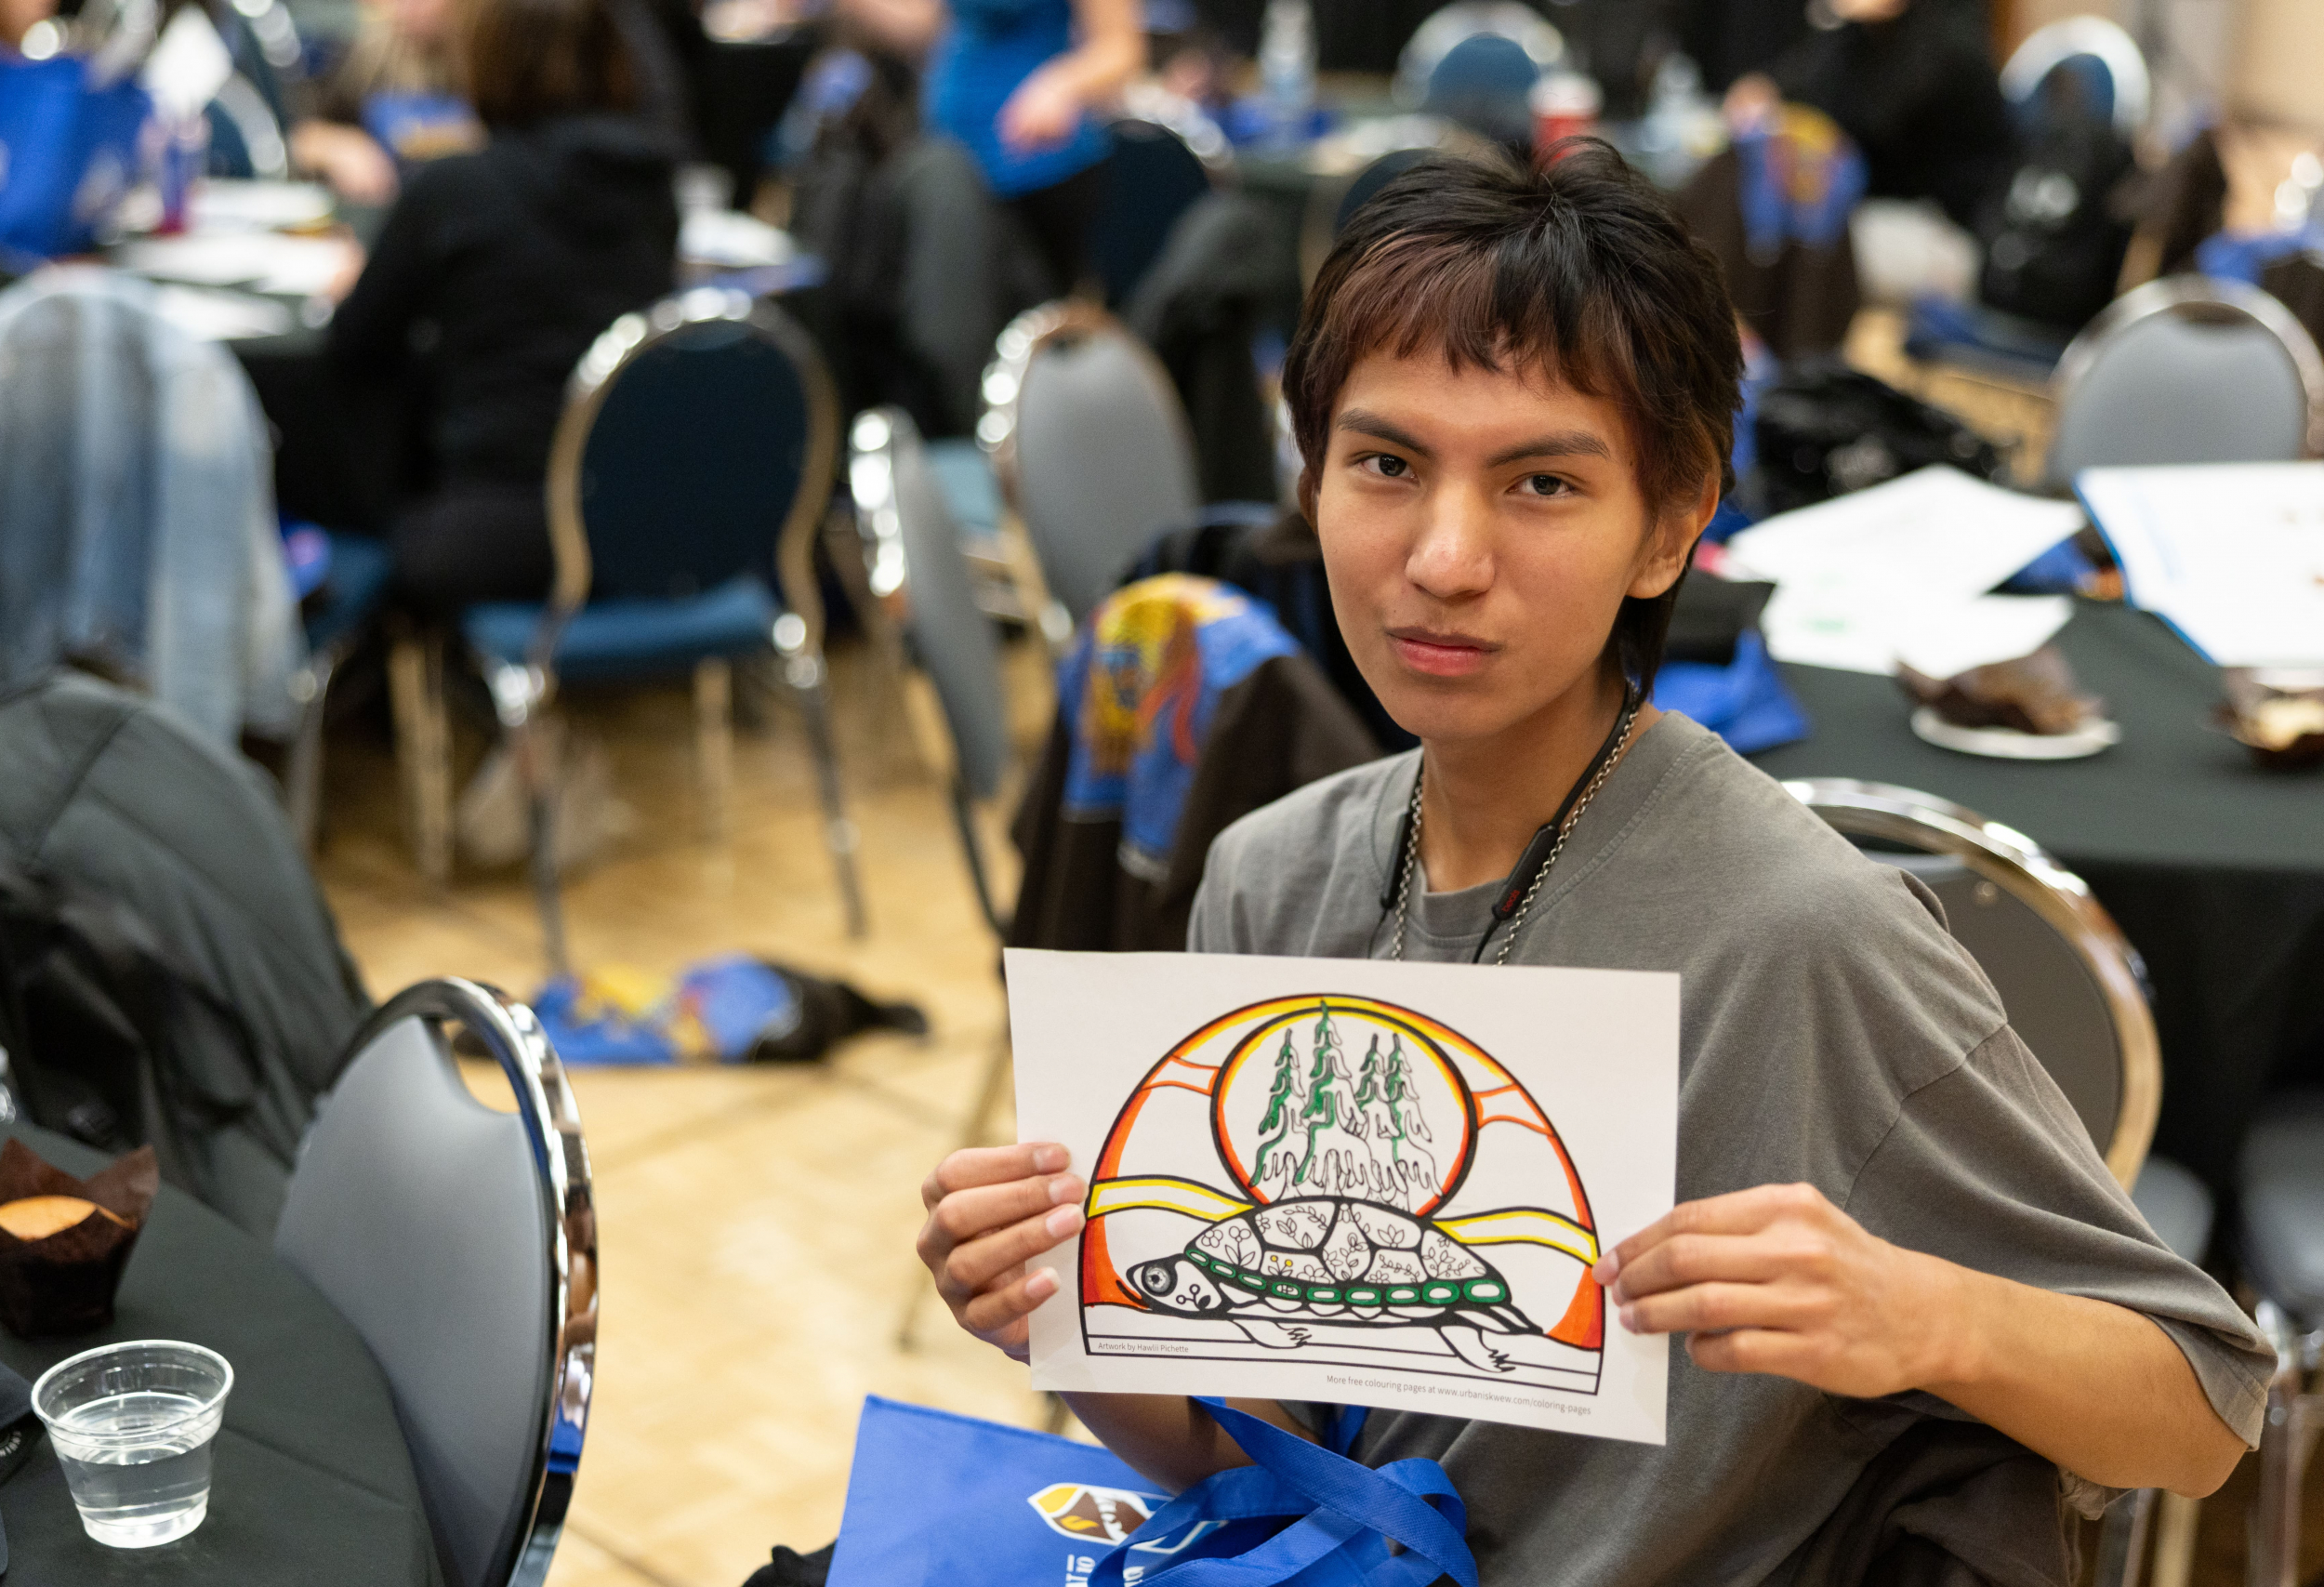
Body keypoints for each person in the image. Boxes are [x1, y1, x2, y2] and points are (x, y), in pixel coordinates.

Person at [915, 143, 2268, 1584]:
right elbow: (1274, 1461)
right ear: (1308, 482)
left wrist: (1926, 1314)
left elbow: (2200, 1412)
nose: (1442, 555)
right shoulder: (1271, 871)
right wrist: (1067, 1321)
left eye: (1542, 482)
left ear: (1672, 523)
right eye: (1385, 463)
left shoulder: (1803, 935)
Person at [324, 0, 677, 613]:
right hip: (635, 518)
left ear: (485, 58)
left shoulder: (455, 188)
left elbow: (353, 346)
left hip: (488, 529)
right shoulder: (652, 187)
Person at [841, 0, 1140, 298]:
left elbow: (1120, 49)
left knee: (1029, 309)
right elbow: (931, 27)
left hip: (1037, 165)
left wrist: (1060, 86)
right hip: (953, 158)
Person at [1723, 0, 2014, 229]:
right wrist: (1764, 90)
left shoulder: (1951, 42)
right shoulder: (1860, 36)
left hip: (1944, 224)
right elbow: (1803, 79)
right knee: (1753, 206)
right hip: (1881, 211)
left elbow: (1877, 125)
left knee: (1811, 233)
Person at [288, 0, 478, 205]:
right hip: (389, 211)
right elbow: (301, 136)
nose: (406, 7)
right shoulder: (373, 56)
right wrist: (342, 147)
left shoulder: (492, 59)